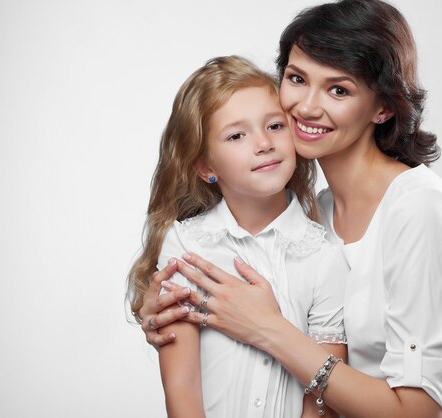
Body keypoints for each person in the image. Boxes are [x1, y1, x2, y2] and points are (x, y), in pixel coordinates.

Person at [138, 1, 442, 417]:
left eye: (338, 90)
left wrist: (267, 330)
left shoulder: (419, 210)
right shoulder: (315, 216)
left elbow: (417, 412)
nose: (306, 107)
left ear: (383, 107)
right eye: (296, 78)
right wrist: (163, 317)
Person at [127, 55, 348, 418]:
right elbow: (182, 386)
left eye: (275, 126)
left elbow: (322, 399)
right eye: (236, 135)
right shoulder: (187, 245)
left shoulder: (324, 253)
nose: (263, 143)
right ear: (206, 167)